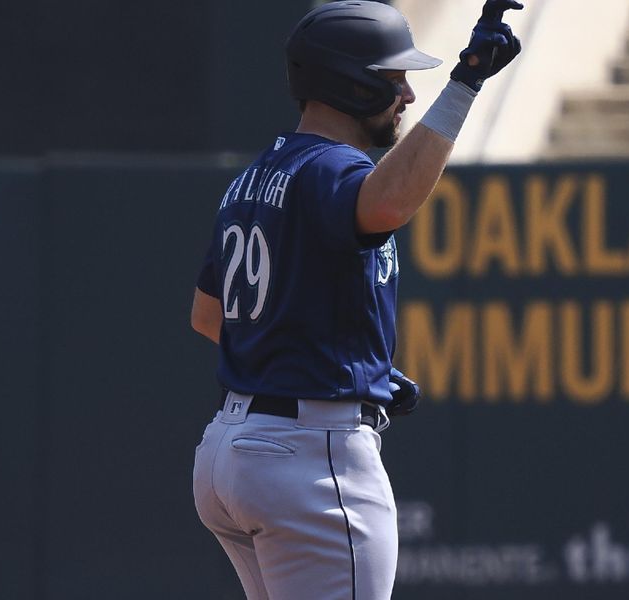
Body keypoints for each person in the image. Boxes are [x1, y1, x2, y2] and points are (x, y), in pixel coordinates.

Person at [191, 1, 523, 598]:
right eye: (396, 79)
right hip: (310, 456)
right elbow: (388, 204)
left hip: (230, 453)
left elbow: (209, 317)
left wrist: (326, 355)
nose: (407, 96)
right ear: (353, 80)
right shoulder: (329, 170)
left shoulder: (254, 177)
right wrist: (465, 82)